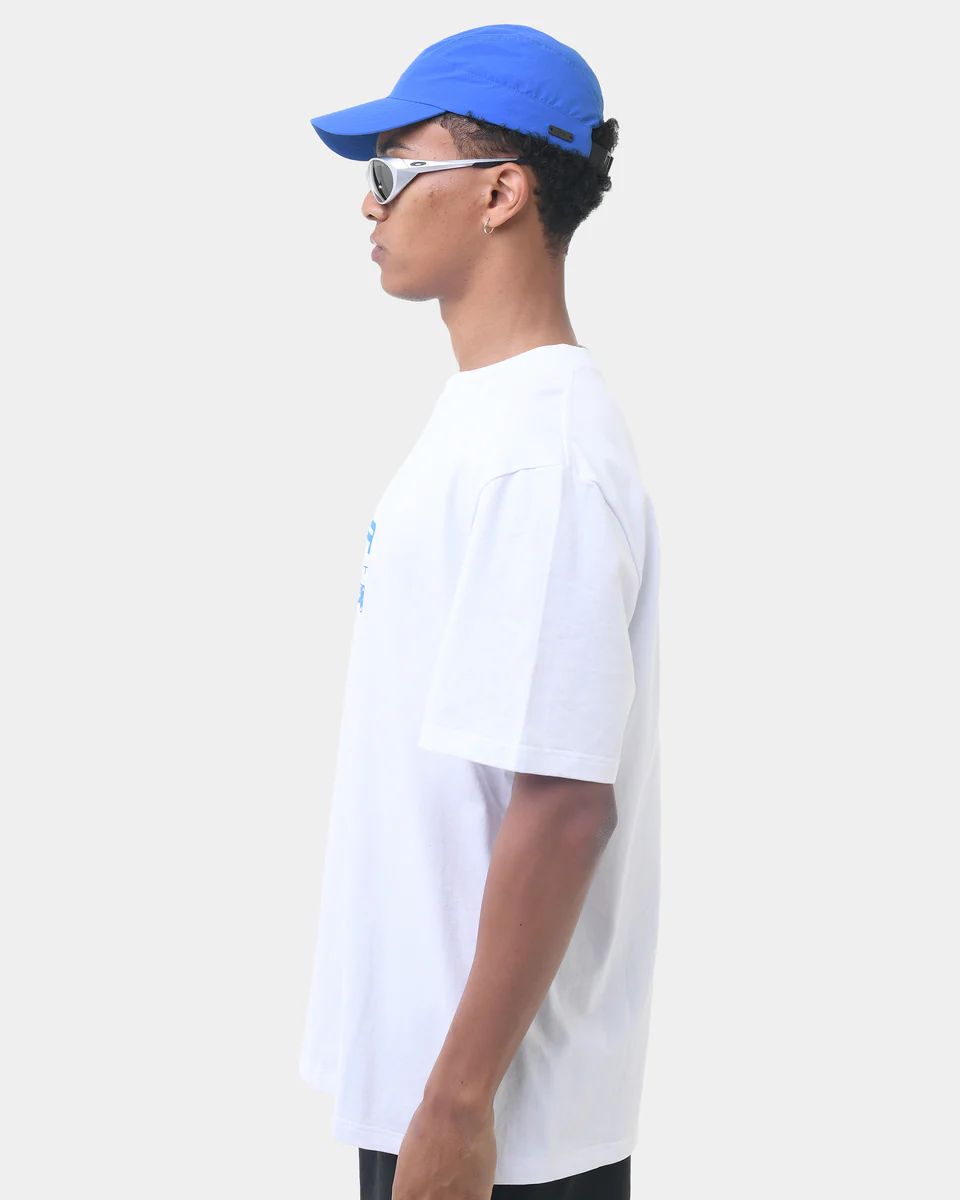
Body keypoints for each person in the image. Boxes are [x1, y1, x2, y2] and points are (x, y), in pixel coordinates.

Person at [299, 24, 661, 1200]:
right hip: (434, 1092)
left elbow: (563, 804)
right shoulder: (488, 419)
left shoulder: (541, 454)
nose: (371, 204)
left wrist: (457, 1109)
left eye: (394, 171)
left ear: (503, 193)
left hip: (495, 1127)